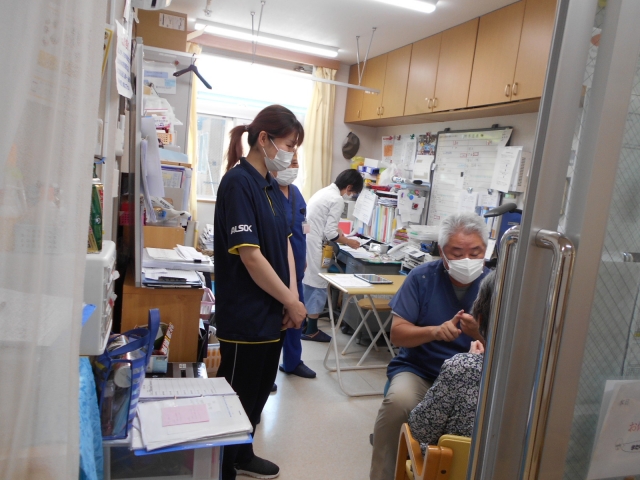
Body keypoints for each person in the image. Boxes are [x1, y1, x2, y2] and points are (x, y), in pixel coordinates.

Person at [214, 105, 307, 480]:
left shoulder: (271, 185)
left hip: (274, 313)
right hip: (246, 316)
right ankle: (222, 467)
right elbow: (251, 257)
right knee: (237, 396)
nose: (292, 154)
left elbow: (285, 244)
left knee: (257, 394)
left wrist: (292, 298)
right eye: (289, 145)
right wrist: (290, 300)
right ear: (264, 139)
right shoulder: (238, 183)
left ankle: (243, 453)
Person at [369, 212, 490, 480]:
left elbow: (514, 347)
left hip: (474, 376)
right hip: (421, 371)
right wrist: (434, 332)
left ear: (486, 250)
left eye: (475, 252)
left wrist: (479, 335)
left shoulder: (497, 285)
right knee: (398, 404)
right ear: (442, 252)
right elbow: (398, 334)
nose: (467, 260)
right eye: (457, 253)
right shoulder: (422, 278)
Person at [408, 271, 496, 454]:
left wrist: (472, 360)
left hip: (454, 466)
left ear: (479, 319)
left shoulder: (464, 367)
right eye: (457, 255)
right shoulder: (548, 377)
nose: (466, 259)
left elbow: (420, 431)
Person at [301, 169, 364, 342]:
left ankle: (303, 325)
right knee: (318, 286)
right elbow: (330, 233)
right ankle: (311, 331)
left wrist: (339, 233)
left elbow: (322, 222)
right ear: (349, 187)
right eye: (352, 192)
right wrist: (348, 242)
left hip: (308, 240)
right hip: (316, 245)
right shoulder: (337, 199)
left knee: (308, 284)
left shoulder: (324, 192)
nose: (350, 195)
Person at [273, 154, 316, 379]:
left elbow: (303, 227)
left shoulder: (296, 193)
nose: (293, 167)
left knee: (296, 318)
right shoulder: (267, 192)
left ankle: (292, 362)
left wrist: (304, 257)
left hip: (297, 267)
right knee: (274, 320)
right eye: (289, 162)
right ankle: (267, 371)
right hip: (274, 270)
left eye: (296, 163)